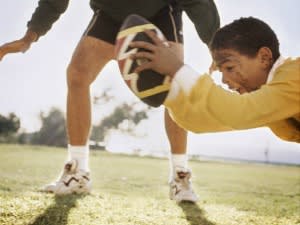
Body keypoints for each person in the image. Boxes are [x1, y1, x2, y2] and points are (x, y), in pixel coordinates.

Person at [0, 0, 220, 202]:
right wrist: (31, 35)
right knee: (77, 74)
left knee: (174, 86)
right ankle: (77, 172)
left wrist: (215, 43)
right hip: (110, 13)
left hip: (159, 11)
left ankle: (180, 176)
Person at [130, 17, 300, 143]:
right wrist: (170, 93)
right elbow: (203, 121)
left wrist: (178, 69)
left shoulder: (294, 75)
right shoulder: (268, 99)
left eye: (230, 68)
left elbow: (238, 112)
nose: (225, 80)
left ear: (264, 57)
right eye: (220, 71)